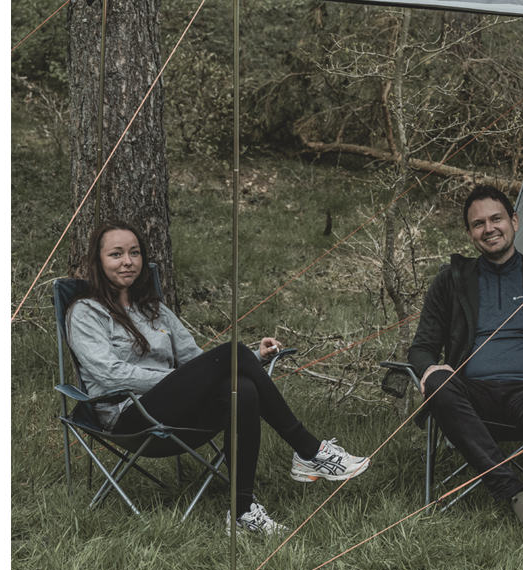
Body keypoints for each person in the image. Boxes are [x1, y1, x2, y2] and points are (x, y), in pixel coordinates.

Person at [66, 220, 370, 535]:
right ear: (98, 261)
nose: (128, 262)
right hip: (129, 417)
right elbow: (111, 375)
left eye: (135, 253)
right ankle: (308, 450)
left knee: (241, 387)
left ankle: (242, 512)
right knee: (230, 353)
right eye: (116, 254)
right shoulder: (86, 313)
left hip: (176, 411)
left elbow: (196, 360)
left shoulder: (153, 308)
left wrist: (254, 358)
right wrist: (178, 380)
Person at [408, 185, 523, 558]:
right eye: (477, 223)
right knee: (438, 384)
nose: (488, 228)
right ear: (469, 233)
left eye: (496, 219)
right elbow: (421, 347)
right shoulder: (451, 279)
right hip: (470, 394)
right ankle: (514, 493)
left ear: (513, 221)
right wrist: (429, 368)